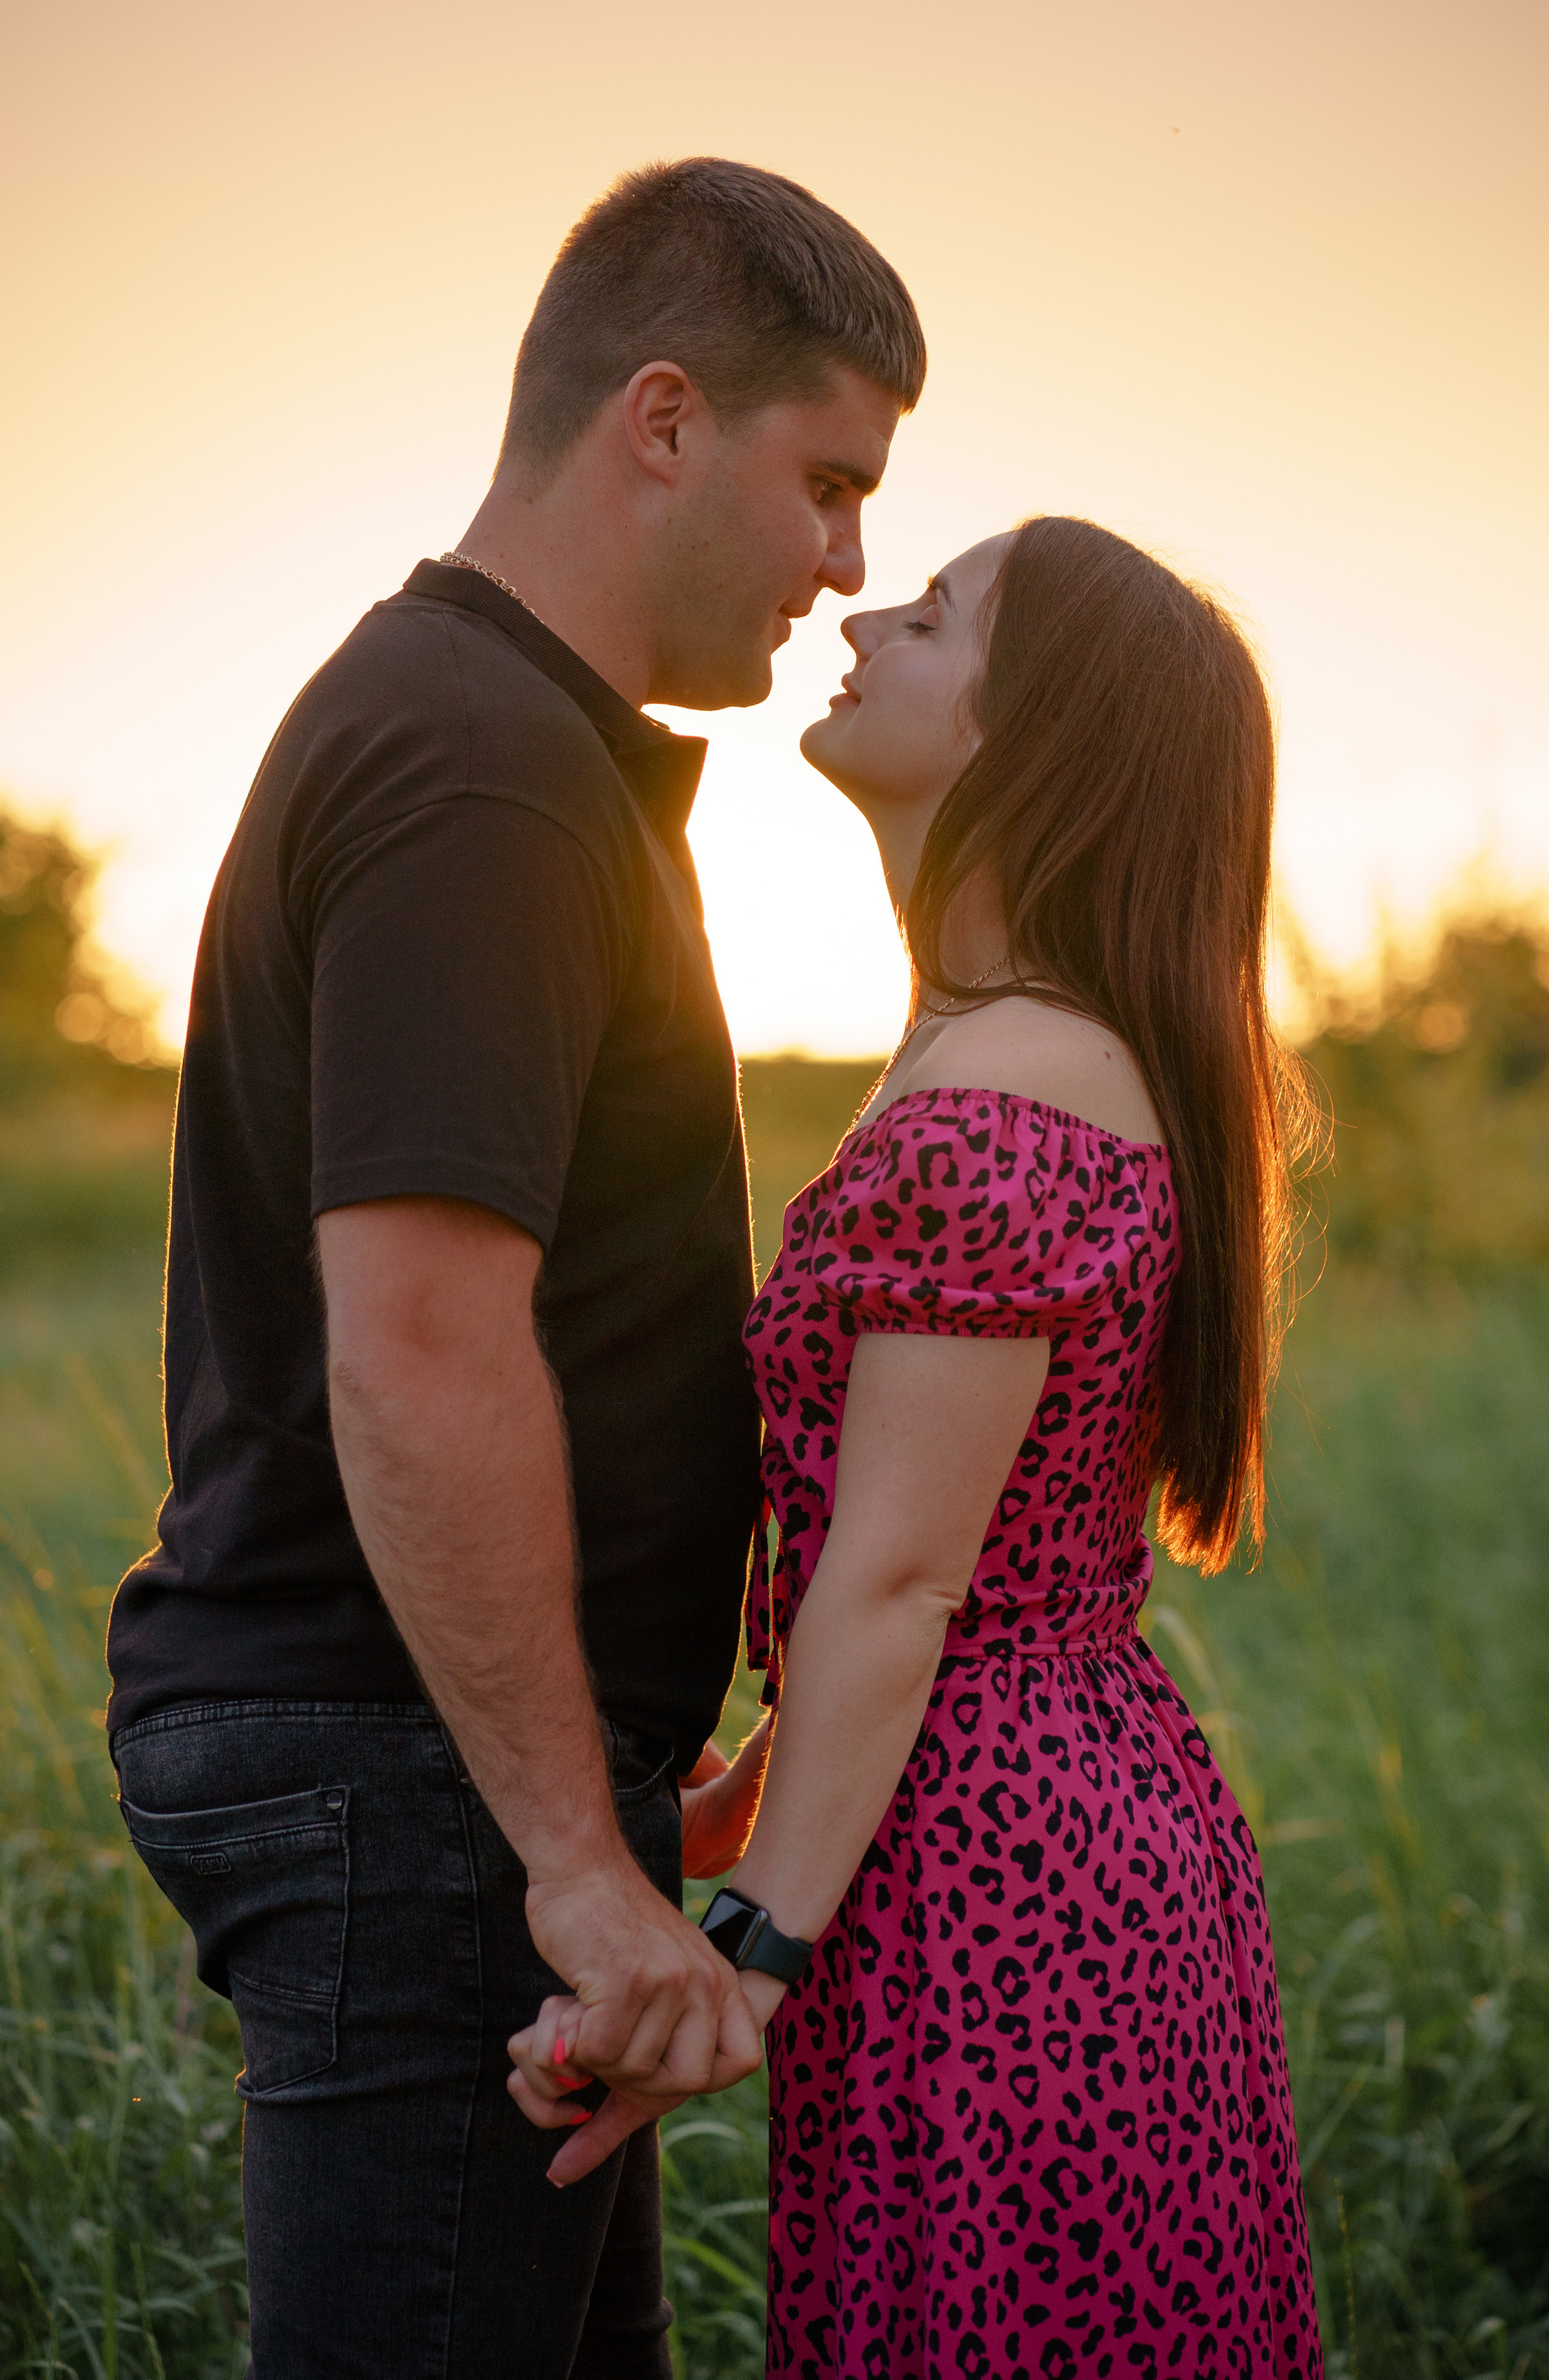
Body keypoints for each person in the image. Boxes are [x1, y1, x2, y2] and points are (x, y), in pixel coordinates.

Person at [102, 158, 926, 2376]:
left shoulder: (512, 747)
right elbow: (427, 1339)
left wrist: (634, 1787)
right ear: (662, 421)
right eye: (827, 482)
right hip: (418, 1786)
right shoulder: (480, 774)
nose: (850, 563)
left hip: (463, 1773)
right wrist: (570, 1847)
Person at [513, 517, 1326, 2378]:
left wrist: (746, 1952)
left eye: (940, 614)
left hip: (997, 1883)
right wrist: (750, 1805)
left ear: (1030, 738)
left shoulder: (997, 1096)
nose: (866, 613)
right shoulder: (1072, 1054)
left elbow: (899, 1579)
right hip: (1075, 1828)